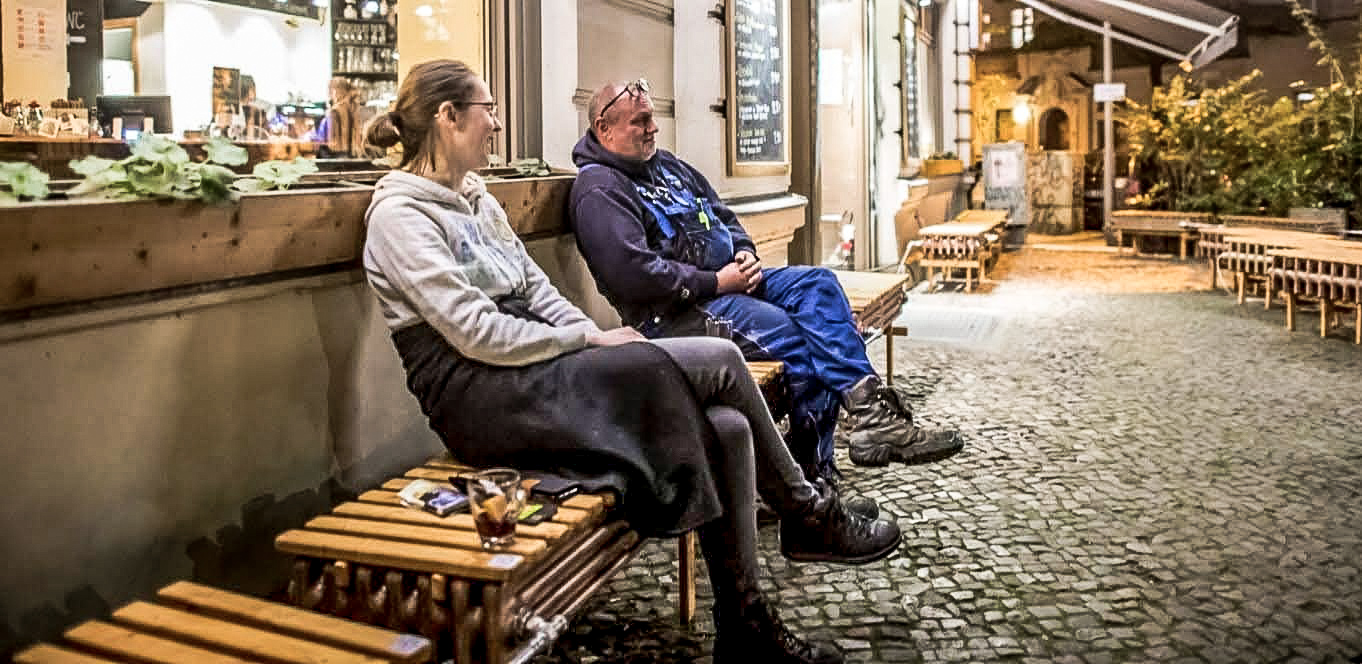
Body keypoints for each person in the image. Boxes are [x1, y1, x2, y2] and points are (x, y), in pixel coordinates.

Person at [362, 59, 902, 664]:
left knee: (725, 426)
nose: (496, 122)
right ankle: (806, 512)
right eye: (488, 109)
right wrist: (590, 343)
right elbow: (475, 332)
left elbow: (538, 291)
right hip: (484, 397)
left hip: (537, 371)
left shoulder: (477, 200)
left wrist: (587, 333)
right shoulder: (399, 217)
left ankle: (746, 626)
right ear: (447, 118)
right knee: (721, 359)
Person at [568, 80, 965, 482]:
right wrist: (718, 281)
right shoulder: (599, 188)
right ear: (605, 128)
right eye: (641, 121)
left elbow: (723, 215)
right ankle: (810, 484)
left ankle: (870, 415)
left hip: (730, 282)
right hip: (676, 313)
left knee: (820, 285)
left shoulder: (668, 165)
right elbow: (634, 277)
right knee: (802, 344)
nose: (653, 128)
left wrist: (745, 251)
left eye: (652, 118)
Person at [318, 77, 363, 157]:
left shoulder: (335, 110)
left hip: (337, 153)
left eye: (331, 90)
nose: (329, 94)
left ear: (337, 91)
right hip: (354, 153)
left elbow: (332, 140)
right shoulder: (355, 108)